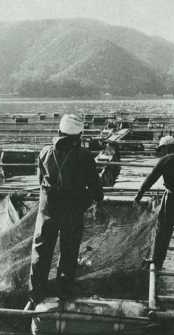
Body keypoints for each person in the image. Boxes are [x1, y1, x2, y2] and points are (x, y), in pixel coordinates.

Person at [29, 114, 103, 305]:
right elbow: (95, 188)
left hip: (48, 210)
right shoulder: (84, 156)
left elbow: (40, 181)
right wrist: (90, 202)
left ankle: (36, 294)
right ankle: (64, 293)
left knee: (41, 251)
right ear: (79, 135)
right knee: (69, 252)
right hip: (71, 210)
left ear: (59, 131)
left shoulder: (45, 152)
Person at [134, 136, 174, 271]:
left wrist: (138, 196)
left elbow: (150, 180)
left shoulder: (165, 160)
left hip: (172, 196)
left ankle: (157, 260)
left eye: (161, 150)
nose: (161, 153)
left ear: (167, 148)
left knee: (163, 228)